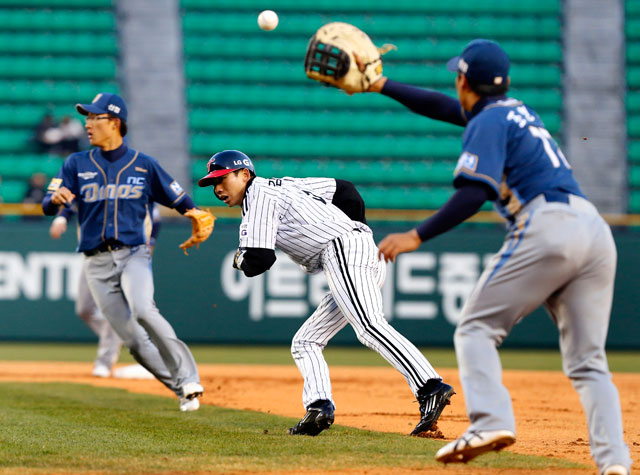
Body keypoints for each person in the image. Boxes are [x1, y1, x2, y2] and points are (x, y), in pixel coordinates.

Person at [349, 39, 631, 474]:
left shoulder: (489, 120)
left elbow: (475, 192)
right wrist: (383, 84)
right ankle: (614, 465)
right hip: (594, 230)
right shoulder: (513, 111)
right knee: (589, 363)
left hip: (547, 224)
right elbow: (446, 109)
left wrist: (416, 236)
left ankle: (490, 422)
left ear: (463, 79)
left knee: (476, 329)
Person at [197, 149, 455, 436]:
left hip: (342, 250)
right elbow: (346, 190)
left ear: (244, 174)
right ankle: (319, 407)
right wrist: (359, 233)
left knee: (369, 326)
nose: (218, 188)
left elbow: (259, 260)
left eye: (222, 179)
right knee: (306, 341)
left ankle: (430, 385)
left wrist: (237, 258)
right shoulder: (286, 184)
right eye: (212, 183)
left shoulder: (257, 195)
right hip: (353, 250)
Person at [41, 92, 206, 411]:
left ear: (115, 123)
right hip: (96, 264)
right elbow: (49, 204)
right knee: (133, 342)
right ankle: (183, 390)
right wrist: (56, 200)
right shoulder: (75, 163)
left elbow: (178, 197)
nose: (87, 123)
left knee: (144, 310)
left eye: (94, 117)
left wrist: (196, 215)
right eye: (86, 117)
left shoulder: (143, 165)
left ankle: (189, 376)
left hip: (133, 254)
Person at [49, 203, 159, 380]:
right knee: (84, 309)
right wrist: (62, 217)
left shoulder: (131, 182)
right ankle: (121, 335)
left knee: (114, 311)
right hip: (92, 254)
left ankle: (104, 361)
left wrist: (149, 243)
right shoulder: (92, 179)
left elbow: (154, 214)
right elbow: (72, 200)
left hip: (122, 254)